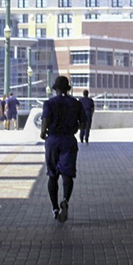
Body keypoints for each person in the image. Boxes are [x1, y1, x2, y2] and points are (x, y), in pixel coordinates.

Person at [40, 76, 87, 223]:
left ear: (55, 88)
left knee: (52, 175)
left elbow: (45, 120)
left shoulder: (49, 103)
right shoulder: (76, 103)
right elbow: (84, 122)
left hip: (53, 139)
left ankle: (55, 208)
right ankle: (65, 200)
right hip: (68, 139)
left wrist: (43, 133)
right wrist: (75, 129)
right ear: (68, 88)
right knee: (67, 174)